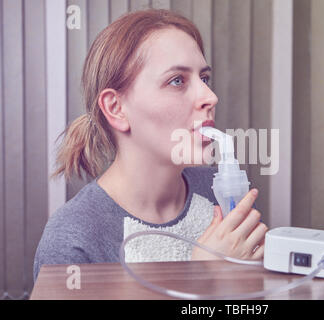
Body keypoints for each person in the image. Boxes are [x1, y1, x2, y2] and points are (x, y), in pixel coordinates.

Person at [33, 9, 268, 282]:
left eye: (204, 79)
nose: (210, 97)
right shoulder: (73, 241)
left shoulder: (219, 189)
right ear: (116, 109)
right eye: (177, 80)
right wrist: (200, 279)